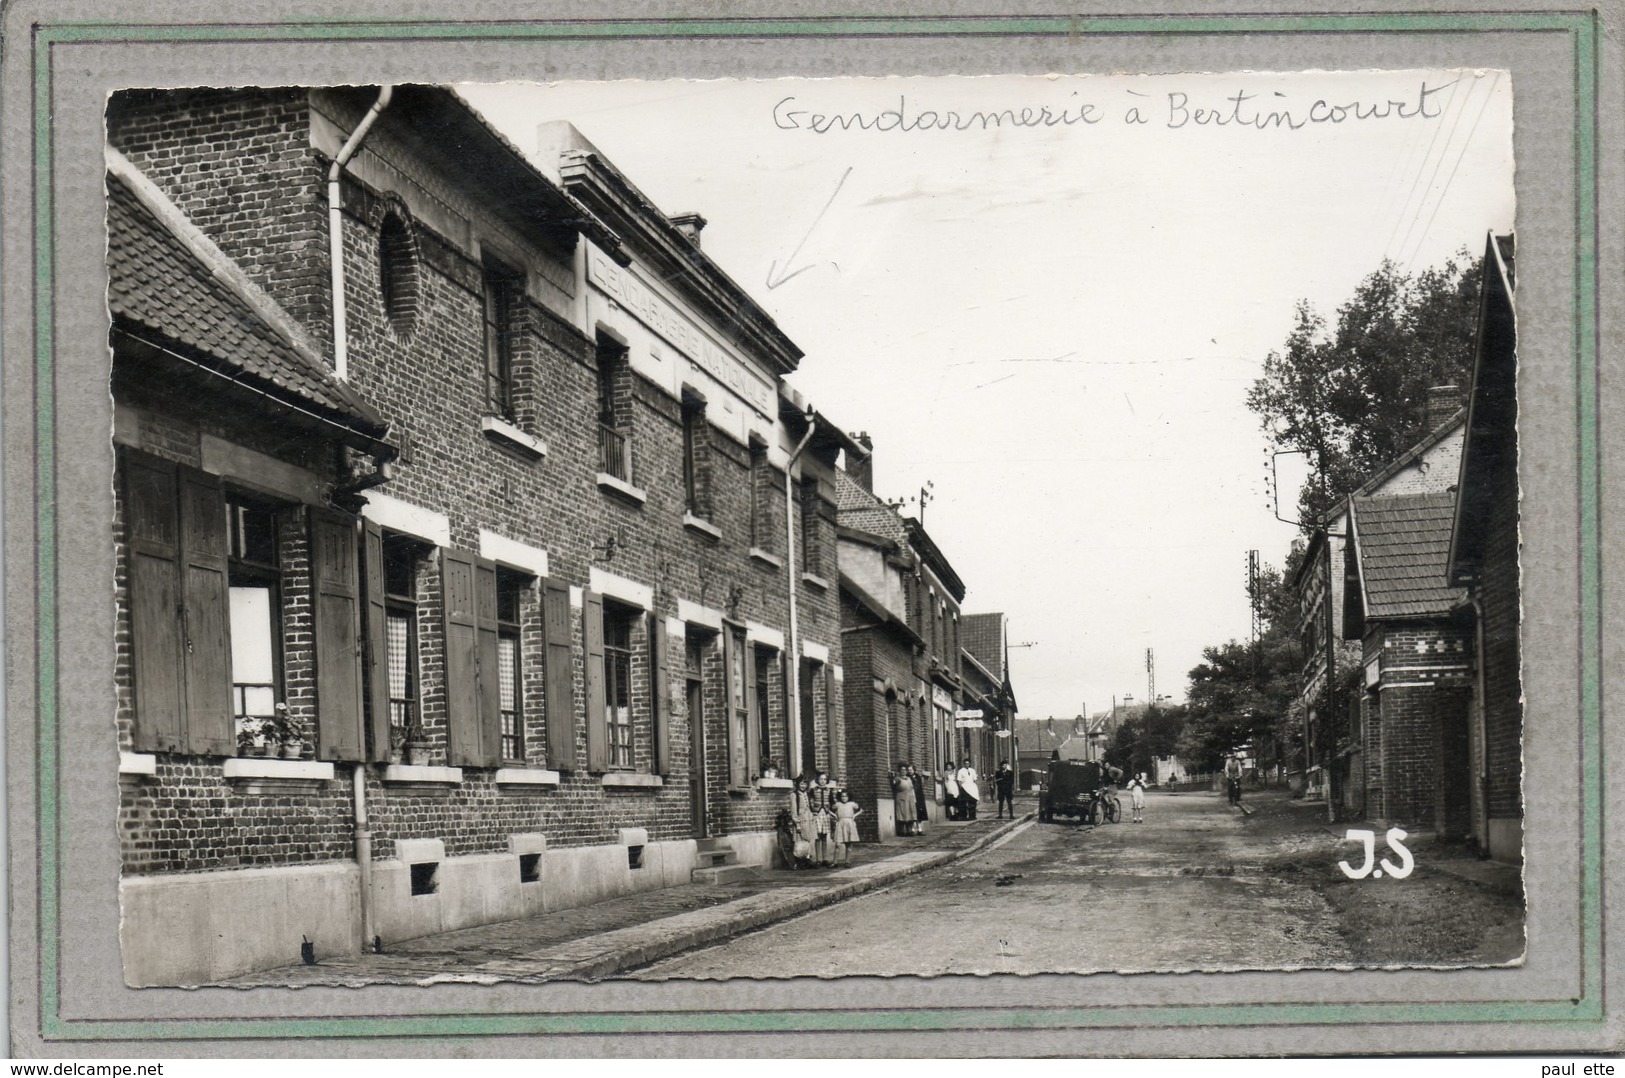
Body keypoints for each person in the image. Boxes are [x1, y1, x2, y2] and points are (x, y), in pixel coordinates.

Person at [809, 770, 838, 865]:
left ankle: (825, 858)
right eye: (821, 779)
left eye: (825, 779)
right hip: (817, 814)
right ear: (818, 780)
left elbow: (832, 803)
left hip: (825, 814)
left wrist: (833, 810)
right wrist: (813, 811)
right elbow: (810, 802)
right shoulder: (813, 790)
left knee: (824, 836)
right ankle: (818, 859)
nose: (823, 781)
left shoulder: (829, 791)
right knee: (817, 837)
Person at [832, 790, 863, 865]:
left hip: (849, 823)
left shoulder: (852, 804)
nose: (844, 798)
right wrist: (835, 816)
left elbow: (861, 810)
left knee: (848, 844)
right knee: (838, 844)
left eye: (846, 796)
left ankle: (847, 861)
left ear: (849, 797)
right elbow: (829, 810)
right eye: (842, 796)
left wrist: (854, 816)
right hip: (840, 824)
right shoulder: (838, 804)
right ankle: (835, 862)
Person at [891, 764, 918, 837]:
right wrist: (892, 777)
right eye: (902, 770)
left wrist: (914, 798)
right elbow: (893, 784)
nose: (903, 771)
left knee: (910, 814)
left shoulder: (909, 779)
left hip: (910, 798)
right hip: (902, 798)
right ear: (899, 771)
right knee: (903, 814)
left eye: (905, 770)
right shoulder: (897, 779)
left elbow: (912, 788)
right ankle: (902, 831)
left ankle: (909, 831)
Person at [909, 763, 930, 835]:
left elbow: (919, 786)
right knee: (912, 812)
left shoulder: (917, 777)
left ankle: (920, 829)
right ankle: (912, 829)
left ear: (914, 770)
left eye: (911, 770)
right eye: (909, 770)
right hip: (911, 796)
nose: (910, 771)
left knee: (919, 812)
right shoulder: (908, 777)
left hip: (918, 796)